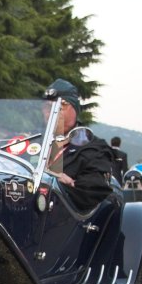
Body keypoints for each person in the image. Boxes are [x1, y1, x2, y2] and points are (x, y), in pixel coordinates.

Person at [42, 79, 114, 211]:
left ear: (75, 109)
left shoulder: (93, 147)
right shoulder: (32, 141)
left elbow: (92, 191)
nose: (52, 112)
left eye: (61, 106)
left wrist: (57, 183)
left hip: (64, 219)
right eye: (47, 107)